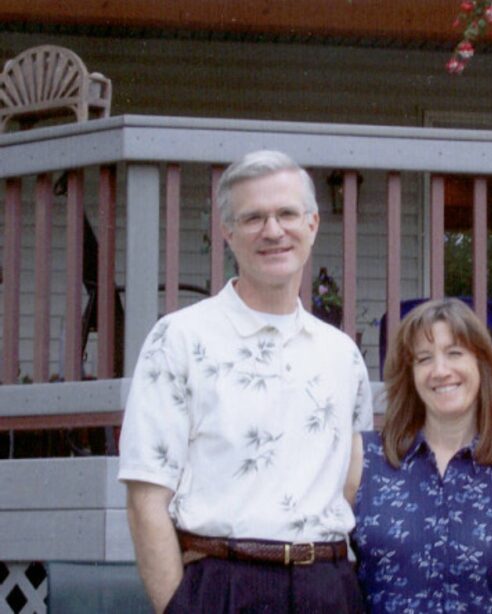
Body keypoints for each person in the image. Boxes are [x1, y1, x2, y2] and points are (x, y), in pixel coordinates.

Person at [118, 150, 373, 613]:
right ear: (227, 232)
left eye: (286, 214)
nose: (273, 230)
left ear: (313, 224)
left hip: (328, 589)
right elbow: (145, 500)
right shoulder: (178, 339)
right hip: (224, 586)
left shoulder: (342, 355)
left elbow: (349, 479)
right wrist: (179, 608)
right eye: (253, 217)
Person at [345, 298, 492, 613]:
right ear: (410, 375)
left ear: (482, 364)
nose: (440, 371)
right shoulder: (365, 458)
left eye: (455, 353)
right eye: (423, 359)